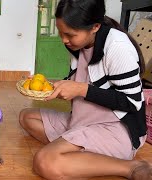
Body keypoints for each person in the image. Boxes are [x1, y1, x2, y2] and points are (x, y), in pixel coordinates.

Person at [19, 0, 152, 179]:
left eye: (70, 34)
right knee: (26, 117)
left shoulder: (117, 46)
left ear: (95, 26)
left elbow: (132, 102)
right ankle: (81, 150)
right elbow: (77, 81)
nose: (64, 40)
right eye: (61, 33)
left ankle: (129, 166)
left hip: (115, 128)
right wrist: (47, 85)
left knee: (45, 162)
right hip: (83, 120)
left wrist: (82, 90)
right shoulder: (79, 45)